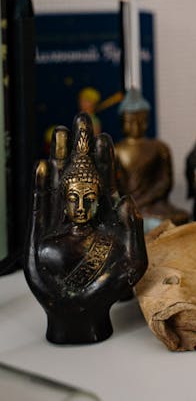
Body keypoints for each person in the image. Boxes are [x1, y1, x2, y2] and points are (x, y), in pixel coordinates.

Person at [24, 113, 147, 344]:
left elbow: (134, 265)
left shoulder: (109, 245)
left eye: (89, 199)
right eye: (73, 198)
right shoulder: (49, 248)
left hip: (98, 328)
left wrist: (134, 234)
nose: (81, 207)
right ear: (63, 200)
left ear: (99, 201)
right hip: (61, 329)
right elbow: (38, 276)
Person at [115, 88, 188, 228]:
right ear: (122, 122)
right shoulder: (117, 150)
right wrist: (130, 202)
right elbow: (115, 186)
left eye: (140, 120)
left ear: (147, 121)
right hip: (128, 204)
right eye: (130, 120)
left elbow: (165, 182)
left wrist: (142, 201)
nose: (135, 125)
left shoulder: (160, 148)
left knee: (179, 218)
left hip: (154, 205)